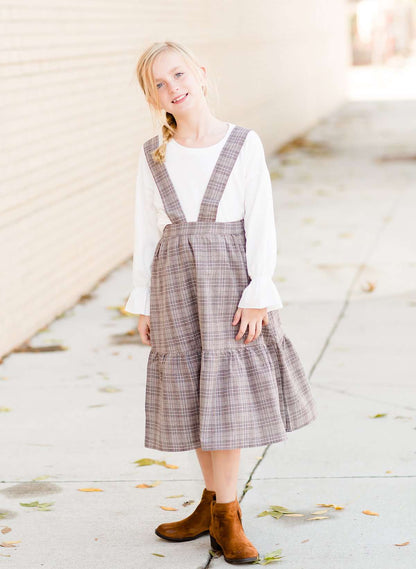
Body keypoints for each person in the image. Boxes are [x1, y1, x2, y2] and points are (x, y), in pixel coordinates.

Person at [124, 40, 317, 565]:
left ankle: (228, 516)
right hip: (174, 281)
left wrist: (259, 291)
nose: (173, 88)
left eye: (178, 74)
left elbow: (261, 220)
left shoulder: (242, 143)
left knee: (225, 395)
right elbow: (146, 231)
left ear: (202, 74)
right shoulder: (154, 153)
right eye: (158, 85)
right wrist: (143, 300)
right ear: (152, 97)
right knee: (193, 392)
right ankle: (210, 505)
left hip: (231, 281)